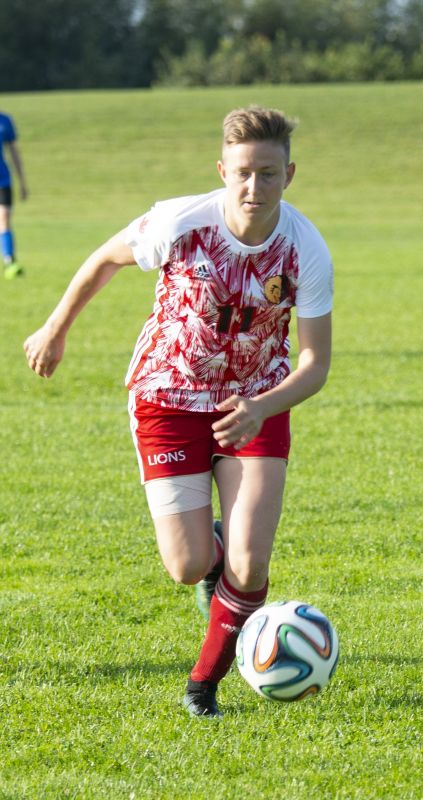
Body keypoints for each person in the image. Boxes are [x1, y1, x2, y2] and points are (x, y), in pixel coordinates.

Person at [23, 106, 333, 718]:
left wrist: (260, 407)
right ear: (223, 170)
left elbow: (315, 363)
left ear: (289, 174)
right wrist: (56, 327)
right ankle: (208, 556)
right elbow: (105, 259)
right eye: (243, 173)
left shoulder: (307, 247)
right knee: (189, 564)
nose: (254, 187)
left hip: (257, 403)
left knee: (251, 561)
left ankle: (204, 685)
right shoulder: (179, 221)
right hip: (168, 398)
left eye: (268, 174)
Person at [0, 111, 28, 279]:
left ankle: (9, 261)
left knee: (4, 219)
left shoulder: (5, 121)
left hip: (3, 180)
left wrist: (22, 182)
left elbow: (14, 152)